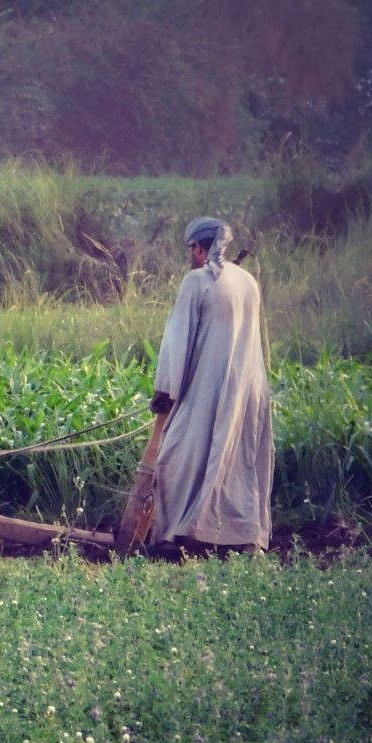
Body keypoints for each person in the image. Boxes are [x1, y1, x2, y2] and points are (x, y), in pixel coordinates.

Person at [149, 217, 273, 552]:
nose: (190, 255)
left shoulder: (197, 281)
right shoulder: (247, 281)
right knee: (236, 463)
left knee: (174, 457)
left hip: (208, 388)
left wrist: (165, 390)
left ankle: (176, 535)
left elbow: (178, 338)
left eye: (191, 248)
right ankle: (240, 538)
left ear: (199, 248)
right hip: (248, 388)